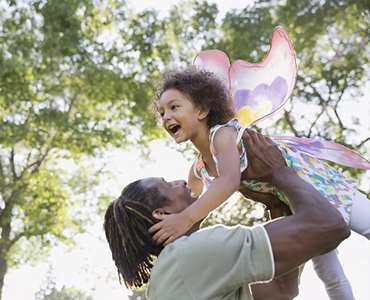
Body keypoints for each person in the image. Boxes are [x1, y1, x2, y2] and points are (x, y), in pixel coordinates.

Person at [149, 67, 370, 299]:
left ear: (202, 110)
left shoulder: (222, 135)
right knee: (329, 272)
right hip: (293, 203)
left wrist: (185, 219)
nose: (166, 116)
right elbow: (194, 208)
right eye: (162, 112)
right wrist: (178, 228)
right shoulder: (198, 169)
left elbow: (229, 181)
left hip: (313, 181)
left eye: (174, 107)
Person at [104, 129, 350, 300]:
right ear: (162, 213)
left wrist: (276, 205)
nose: (180, 181)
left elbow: (280, 291)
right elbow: (330, 226)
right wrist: (279, 173)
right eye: (168, 184)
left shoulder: (178, 272)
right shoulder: (188, 253)